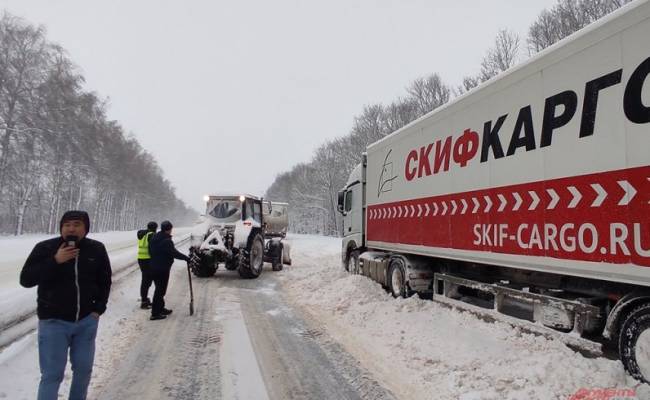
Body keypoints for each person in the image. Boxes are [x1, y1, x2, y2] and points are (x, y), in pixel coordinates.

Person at [20, 210, 112, 400]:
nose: (71, 229)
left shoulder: (96, 248)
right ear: (61, 227)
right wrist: (55, 261)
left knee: (84, 370)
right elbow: (26, 279)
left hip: (86, 322)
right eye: (67, 225)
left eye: (77, 224)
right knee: (52, 375)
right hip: (53, 323)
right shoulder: (45, 248)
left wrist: (98, 309)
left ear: (86, 228)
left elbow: (105, 280)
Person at [148, 220, 190, 320]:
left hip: (153, 266)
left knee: (159, 289)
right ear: (169, 229)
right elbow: (174, 253)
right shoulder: (166, 241)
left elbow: (150, 250)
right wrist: (186, 258)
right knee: (160, 291)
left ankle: (160, 308)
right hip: (162, 268)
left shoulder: (154, 237)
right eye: (171, 229)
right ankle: (155, 313)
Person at [136, 221, 157, 309]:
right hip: (148, 259)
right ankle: (144, 301)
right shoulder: (151, 235)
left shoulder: (142, 234)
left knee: (145, 280)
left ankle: (144, 299)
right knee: (146, 281)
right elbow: (153, 248)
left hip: (141, 259)